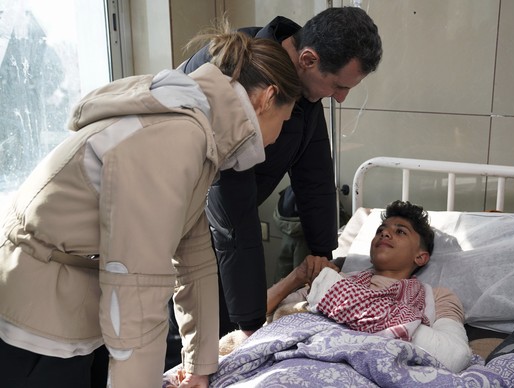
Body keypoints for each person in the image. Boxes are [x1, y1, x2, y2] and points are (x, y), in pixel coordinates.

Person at [0, 26, 302, 388]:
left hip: (71, 297)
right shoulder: (177, 137)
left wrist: (200, 366)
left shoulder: (198, 130)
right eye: (283, 123)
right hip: (38, 312)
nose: (276, 138)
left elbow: (194, 257)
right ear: (266, 99)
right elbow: (136, 283)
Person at [178, 6, 383, 340]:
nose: (342, 98)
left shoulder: (305, 81)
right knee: (202, 327)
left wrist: (323, 257)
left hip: (222, 222)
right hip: (191, 218)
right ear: (308, 59)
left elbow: (314, 175)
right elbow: (232, 216)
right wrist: (250, 327)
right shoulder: (240, 73)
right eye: (338, 86)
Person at [223, 200, 472, 373]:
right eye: (381, 230)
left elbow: (454, 355)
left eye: (400, 231)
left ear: (421, 257)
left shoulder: (436, 297)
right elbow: (256, 315)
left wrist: (355, 309)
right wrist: (297, 276)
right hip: (295, 361)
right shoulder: (334, 280)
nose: (385, 234)